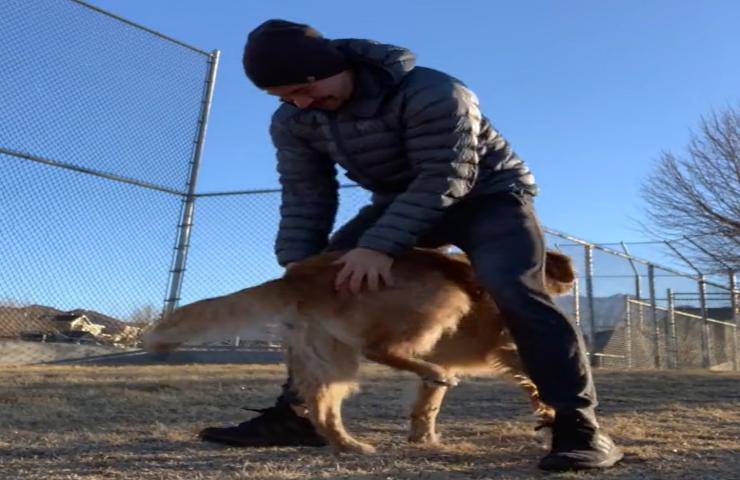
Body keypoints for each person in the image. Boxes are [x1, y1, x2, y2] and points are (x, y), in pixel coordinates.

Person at [199, 19, 623, 471]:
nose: (301, 102)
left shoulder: (436, 92)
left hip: (489, 197)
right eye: (284, 97)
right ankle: (299, 415)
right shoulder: (295, 120)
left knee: (513, 287)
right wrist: (302, 265)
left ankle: (579, 425)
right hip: (399, 203)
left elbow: (445, 177)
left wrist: (379, 247)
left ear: (332, 66)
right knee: (318, 290)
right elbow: (306, 193)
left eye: (305, 88)